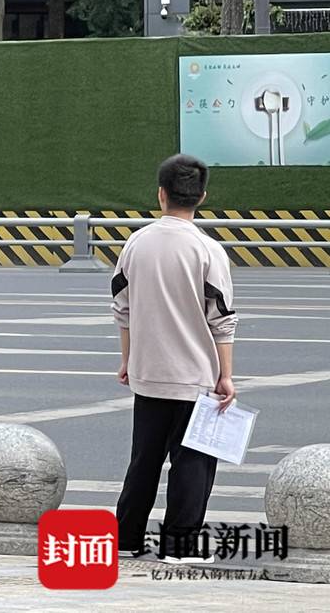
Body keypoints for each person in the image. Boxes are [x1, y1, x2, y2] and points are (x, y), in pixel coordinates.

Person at [111, 154, 237, 562]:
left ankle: (127, 538)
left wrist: (127, 360)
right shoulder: (207, 250)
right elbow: (222, 319)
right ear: (201, 196)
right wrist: (226, 377)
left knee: (143, 460)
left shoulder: (136, 243)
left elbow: (122, 305)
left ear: (161, 194)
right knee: (193, 462)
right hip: (195, 375)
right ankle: (180, 546)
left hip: (148, 373)